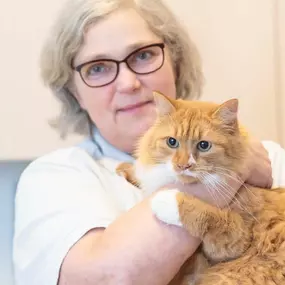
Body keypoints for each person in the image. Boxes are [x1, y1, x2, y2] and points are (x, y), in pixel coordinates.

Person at [12, 0, 285, 284]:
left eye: (143, 55)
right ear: (74, 91)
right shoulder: (54, 176)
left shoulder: (271, 159)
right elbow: (105, 279)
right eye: (98, 67)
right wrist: (231, 170)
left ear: (176, 63)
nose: (128, 83)